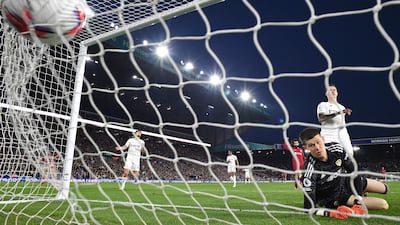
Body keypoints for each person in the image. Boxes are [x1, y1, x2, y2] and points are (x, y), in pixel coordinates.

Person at [299, 127, 389, 219]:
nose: (317, 147)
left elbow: (354, 172)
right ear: (306, 147)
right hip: (336, 196)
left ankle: (361, 192)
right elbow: (308, 208)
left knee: (385, 189)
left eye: (318, 142)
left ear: (323, 139)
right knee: (383, 204)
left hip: (347, 182)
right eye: (312, 145)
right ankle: (356, 198)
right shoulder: (309, 170)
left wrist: (358, 201)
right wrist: (330, 213)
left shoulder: (336, 149)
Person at [317, 84, 354, 155]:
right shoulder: (323, 105)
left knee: (349, 156)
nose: (333, 91)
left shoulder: (342, 107)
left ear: (337, 93)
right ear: (326, 94)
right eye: (330, 90)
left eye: (334, 90)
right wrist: (338, 113)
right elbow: (321, 118)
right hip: (329, 135)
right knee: (333, 157)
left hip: (343, 136)